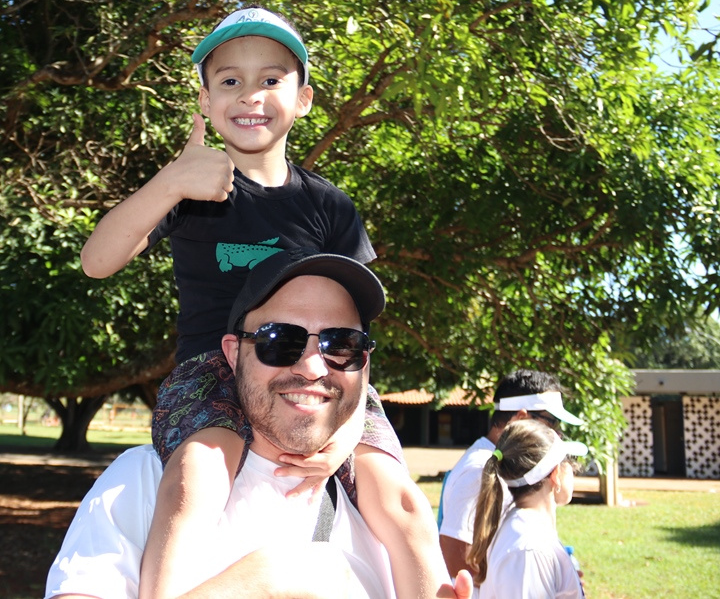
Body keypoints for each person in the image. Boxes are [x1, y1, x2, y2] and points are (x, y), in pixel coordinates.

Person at [81, 4, 445, 598]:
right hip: (210, 368)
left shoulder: (329, 206)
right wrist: (171, 181)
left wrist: (344, 437)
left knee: (398, 497)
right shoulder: (188, 192)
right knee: (198, 475)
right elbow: (98, 260)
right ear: (205, 101)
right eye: (230, 81)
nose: (250, 95)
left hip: (316, 363)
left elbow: (352, 334)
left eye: (271, 78)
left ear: (303, 99)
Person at [46, 250, 472, 598]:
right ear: (233, 354)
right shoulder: (143, 483)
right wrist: (267, 579)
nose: (312, 367)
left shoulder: (380, 514)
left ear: (365, 362)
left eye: (341, 344)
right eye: (279, 341)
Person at [438, 369, 583, 578]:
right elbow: (454, 561)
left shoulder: (508, 463)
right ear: (521, 417)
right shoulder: (479, 469)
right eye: (552, 421)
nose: (558, 433)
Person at [467, 419, 587, 598]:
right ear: (555, 474)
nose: (573, 468)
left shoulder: (527, 534)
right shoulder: (528, 548)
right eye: (568, 460)